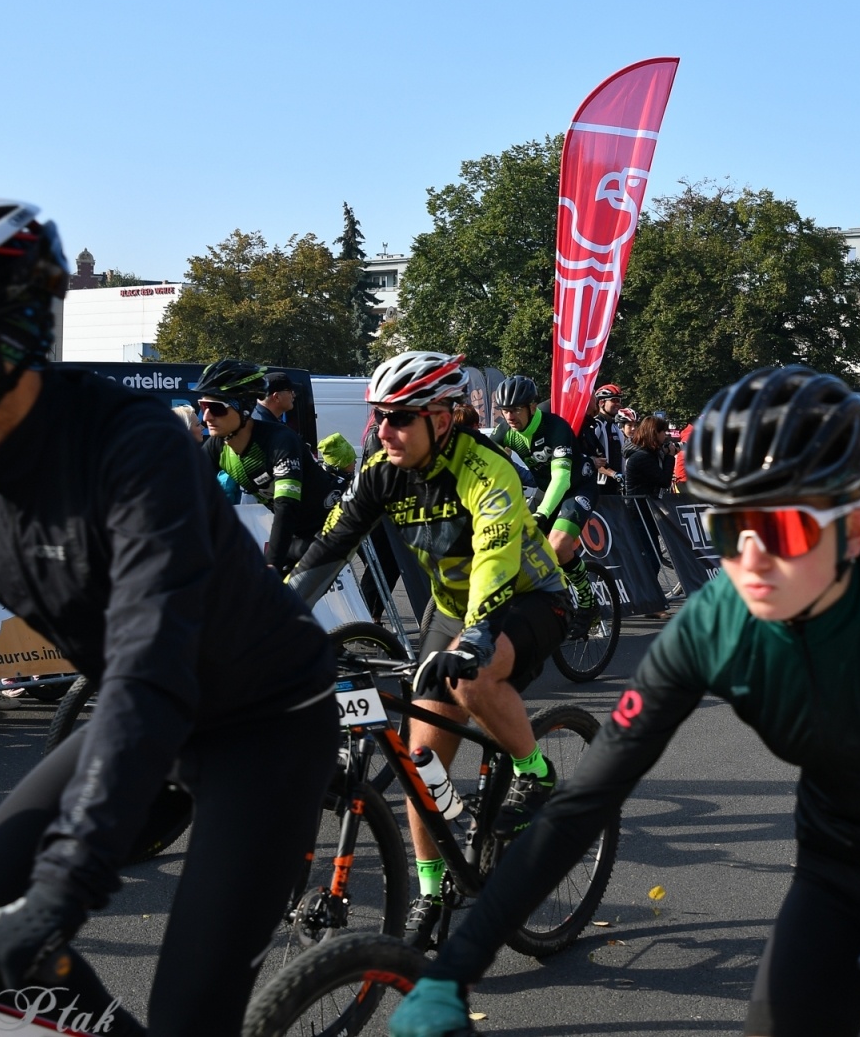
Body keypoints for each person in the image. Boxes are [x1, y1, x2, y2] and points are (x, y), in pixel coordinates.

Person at [389, 365, 860, 1037]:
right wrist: (456, 967)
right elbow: (586, 801)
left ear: (852, 529)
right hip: (836, 870)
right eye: (728, 529)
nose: (748, 561)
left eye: (778, 532)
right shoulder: (717, 619)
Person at [0, 196, 337, 1036]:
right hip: (139, 716)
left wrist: (60, 894)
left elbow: (154, 664)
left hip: (261, 726)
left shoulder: (132, 449)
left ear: (11, 334)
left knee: (189, 1015)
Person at [287, 351, 570, 952]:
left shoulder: (487, 467)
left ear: (442, 418)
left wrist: (475, 638)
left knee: (471, 679)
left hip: (527, 599)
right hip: (449, 610)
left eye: (398, 418)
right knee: (421, 762)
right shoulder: (382, 469)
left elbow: (495, 556)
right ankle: (433, 888)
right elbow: (330, 547)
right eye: (379, 417)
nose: (382, 430)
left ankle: (535, 772)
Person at [196, 359, 335, 575]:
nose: (206, 417)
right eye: (203, 406)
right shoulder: (217, 445)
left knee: (280, 595)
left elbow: (286, 507)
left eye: (216, 408)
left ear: (243, 409)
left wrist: (272, 565)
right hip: (295, 535)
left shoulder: (279, 441)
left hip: (329, 527)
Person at [488, 374, 600, 631]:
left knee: (558, 546)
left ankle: (588, 602)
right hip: (543, 489)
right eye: (505, 411)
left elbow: (560, 478)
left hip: (576, 487)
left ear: (532, 407)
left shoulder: (555, 427)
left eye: (515, 410)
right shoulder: (506, 431)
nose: (509, 416)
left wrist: (542, 513)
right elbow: (485, 464)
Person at [582, 382, 628, 495]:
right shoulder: (596, 424)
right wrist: (613, 474)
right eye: (614, 400)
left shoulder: (615, 427)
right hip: (599, 485)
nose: (618, 404)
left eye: (619, 401)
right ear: (602, 402)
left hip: (616, 484)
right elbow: (591, 457)